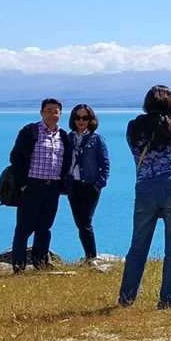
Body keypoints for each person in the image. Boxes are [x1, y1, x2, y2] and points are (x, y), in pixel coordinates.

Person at [118, 85, 171, 309]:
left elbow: (134, 147)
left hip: (145, 185)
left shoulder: (134, 127)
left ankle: (127, 297)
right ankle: (168, 299)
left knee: (138, 244)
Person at [9, 98, 73, 273]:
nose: (52, 114)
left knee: (45, 226)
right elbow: (16, 157)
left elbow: (67, 161)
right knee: (24, 227)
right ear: (41, 112)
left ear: (60, 114)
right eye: (48, 110)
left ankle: (40, 263)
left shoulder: (63, 136)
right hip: (31, 186)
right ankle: (19, 265)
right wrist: (23, 184)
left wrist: (63, 184)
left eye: (55, 111)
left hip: (52, 187)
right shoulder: (31, 131)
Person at [66, 104, 110, 263]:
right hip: (73, 186)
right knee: (80, 222)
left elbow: (105, 164)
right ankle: (89, 256)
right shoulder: (68, 138)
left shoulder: (96, 139)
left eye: (85, 118)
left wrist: (99, 184)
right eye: (77, 117)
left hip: (90, 186)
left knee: (85, 221)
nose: (81, 121)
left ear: (91, 119)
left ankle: (91, 257)